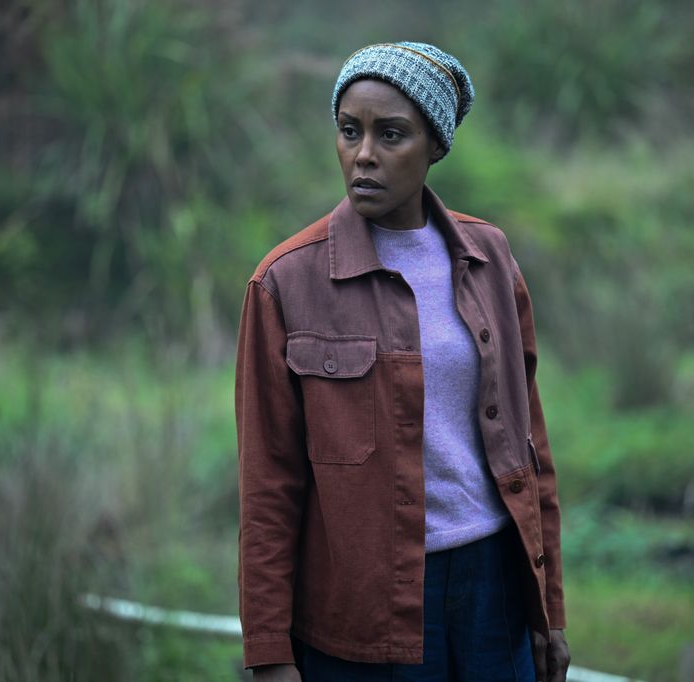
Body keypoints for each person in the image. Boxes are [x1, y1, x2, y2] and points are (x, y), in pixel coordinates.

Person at [235, 41, 570, 682]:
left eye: (391, 135)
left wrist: (549, 610)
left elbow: (531, 451)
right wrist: (270, 654)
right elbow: (267, 486)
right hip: (360, 614)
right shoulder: (285, 284)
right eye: (349, 131)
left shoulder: (490, 259)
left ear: (434, 146)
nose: (363, 155)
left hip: (493, 593)